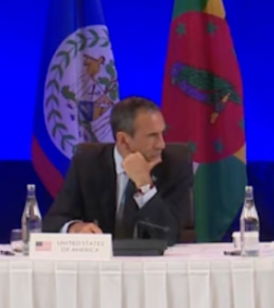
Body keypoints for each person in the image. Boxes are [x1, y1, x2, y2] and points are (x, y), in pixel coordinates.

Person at [42, 96, 192, 245]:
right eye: (152, 136)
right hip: (99, 264)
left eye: (162, 133)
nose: (161, 144)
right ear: (123, 140)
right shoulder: (86, 164)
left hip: (151, 264)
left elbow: (170, 234)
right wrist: (75, 228)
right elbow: (53, 221)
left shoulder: (174, 165)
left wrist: (145, 185)